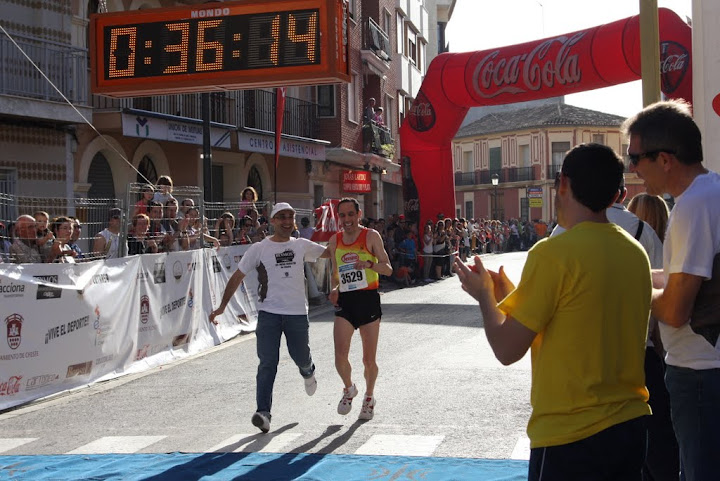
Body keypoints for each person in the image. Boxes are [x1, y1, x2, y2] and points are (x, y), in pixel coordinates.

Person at [455, 143, 652, 480]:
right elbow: (576, 314)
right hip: (630, 426)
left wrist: (484, 297)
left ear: (563, 183)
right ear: (616, 192)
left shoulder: (552, 254)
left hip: (571, 434)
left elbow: (506, 348)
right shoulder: (634, 251)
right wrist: (508, 294)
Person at [552, 173, 676, 480]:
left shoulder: (561, 232)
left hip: (581, 360)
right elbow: (661, 294)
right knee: (651, 448)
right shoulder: (643, 232)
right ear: (620, 193)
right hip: (636, 353)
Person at [625, 99, 720, 481]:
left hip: (698, 372)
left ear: (664, 159)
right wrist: (647, 276)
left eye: (635, 158)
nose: (632, 168)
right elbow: (691, 278)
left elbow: (678, 308)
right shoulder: (710, 192)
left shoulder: (692, 206)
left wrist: (633, 291)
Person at [209, 202, 330, 433]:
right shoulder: (259, 248)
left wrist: (355, 235)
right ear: (273, 221)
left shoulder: (302, 245)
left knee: (300, 356)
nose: (286, 221)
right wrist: (222, 307)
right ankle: (263, 412)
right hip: (269, 314)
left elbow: (331, 252)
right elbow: (237, 277)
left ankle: (308, 370)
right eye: (281, 217)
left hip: (296, 313)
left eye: (290, 217)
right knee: (267, 363)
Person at [327, 198, 392, 420]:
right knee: (339, 356)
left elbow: (389, 269)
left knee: (368, 360)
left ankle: (369, 397)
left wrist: (370, 265)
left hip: (368, 300)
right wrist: (335, 287)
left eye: (350, 215)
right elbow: (336, 273)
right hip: (346, 301)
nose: (347, 220)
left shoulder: (371, 236)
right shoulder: (335, 241)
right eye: (342, 216)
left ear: (359, 214)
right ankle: (349, 388)